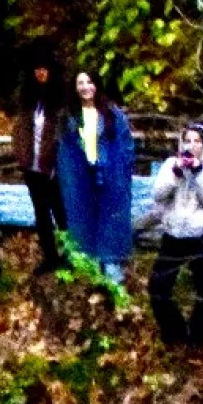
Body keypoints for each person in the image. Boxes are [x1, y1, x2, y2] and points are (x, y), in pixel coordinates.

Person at [147, 123, 203, 350]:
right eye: (187, 141)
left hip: (201, 236)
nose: (192, 146)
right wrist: (176, 175)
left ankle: (198, 340)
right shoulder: (171, 164)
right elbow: (157, 194)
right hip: (173, 237)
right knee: (158, 288)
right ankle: (175, 333)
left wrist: (199, 172)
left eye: (197, 141)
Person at [57, 71, 136, 282]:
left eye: (89, 82)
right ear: (75, 88)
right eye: (80, 83)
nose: (85, 87)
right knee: (83, 215)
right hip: (81, 176)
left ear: (96, 85)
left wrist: (120, 171)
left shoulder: (112, 114)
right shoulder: (70, 116)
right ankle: (87, 261)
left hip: (110, 174)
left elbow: (126, 145)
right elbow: (65, 150)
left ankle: (110, 261)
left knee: (111, 215)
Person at [11, 49, 66, 274]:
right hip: (32, 168)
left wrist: (55, 165)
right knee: (41, 214)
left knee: (61, 213)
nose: (40, 74)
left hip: (52, 170)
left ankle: (70, 255)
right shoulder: (29, 99)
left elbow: (63, 137)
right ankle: (50, 256)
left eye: (44, 70)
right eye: (37, 70)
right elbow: (20, 131)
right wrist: (21, 156)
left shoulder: (60, 101)